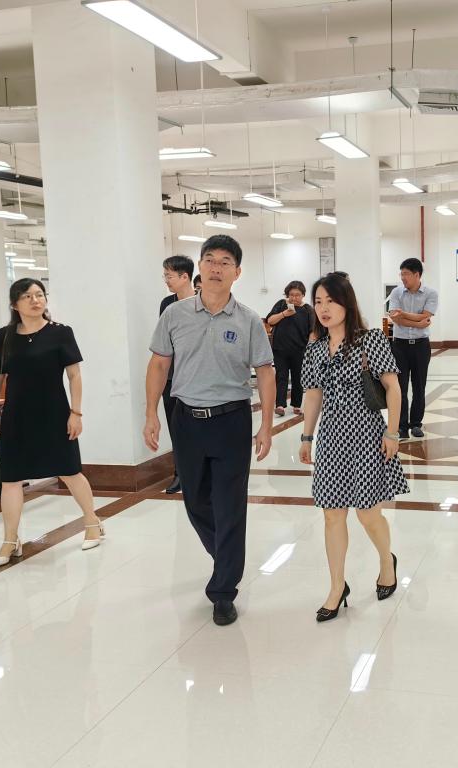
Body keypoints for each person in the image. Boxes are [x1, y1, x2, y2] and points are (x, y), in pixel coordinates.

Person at [144, 234, 275, 627]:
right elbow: (159, 365)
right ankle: (226, 555)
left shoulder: (249, 320)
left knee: (230, 505)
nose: (217, 268)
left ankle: (223, 591)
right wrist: (151, 413)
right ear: (199, 267)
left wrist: (267, 425)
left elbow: (265, 373)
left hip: (232, 420)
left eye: (225, 262)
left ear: (237, 272)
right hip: (186, 419)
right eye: (210, 260)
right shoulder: (175, 315)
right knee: (196, 501)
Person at [299, 273, 407, 622]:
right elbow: (313, 395)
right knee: (332, 514)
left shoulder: (370, 340)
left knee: (368, 513)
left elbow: (392, 387)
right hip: (332, 437)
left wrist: (392, 433)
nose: (324, 308)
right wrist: (307, 436)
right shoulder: (315, 349)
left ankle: (387, 561)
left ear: (347, 303)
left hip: (366, 434)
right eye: (318, 302)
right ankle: (336, 587)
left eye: (331, 301)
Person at [0, 278, 103, 569]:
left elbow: (74, 375)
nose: (35, 300)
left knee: (69, 470)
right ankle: (10, 540)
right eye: (27, 296)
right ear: (15, 304)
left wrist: (76, 413)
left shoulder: (60, 333)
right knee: (10, 478)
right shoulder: (3, 337)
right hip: (16, 416)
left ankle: (92, 522)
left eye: (39, 295)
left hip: (55, 413)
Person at [387, 257, 439, 440]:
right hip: (399, 346)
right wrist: (418, 322)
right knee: (399, 387)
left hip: (421, 346)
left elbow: (426, 315)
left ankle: (416, 424)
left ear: (417, 275)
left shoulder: (431, 293)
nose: (403, 278)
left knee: (419, 386)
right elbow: (395, 318)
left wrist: (405, 315)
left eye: (406, 274)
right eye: (401, 274)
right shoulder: (396, 292)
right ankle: (402, 426)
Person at [159, 255, 196, 495]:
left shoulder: (202, 301)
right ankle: (179, 473)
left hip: (195, 375)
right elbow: (164, 339)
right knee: (176, 426)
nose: (166, 280)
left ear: (185, 277)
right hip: (172, 376)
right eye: (165, 275)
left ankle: (197, 472)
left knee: (196, 427)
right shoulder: (167, 304)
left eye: (169, 275)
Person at [266, 280, 313, 417]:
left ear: (303, 295)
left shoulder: (307, 310)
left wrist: (310, 347)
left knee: (298, 378)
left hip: (300, 350)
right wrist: (284, 314)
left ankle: (297, 405)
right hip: (280, 349)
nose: (294, 298)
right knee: (281, 377)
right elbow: (270, 321)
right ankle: (280, 405)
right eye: (291, 295)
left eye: (297, 295)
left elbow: (312, 330)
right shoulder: (281, 304)